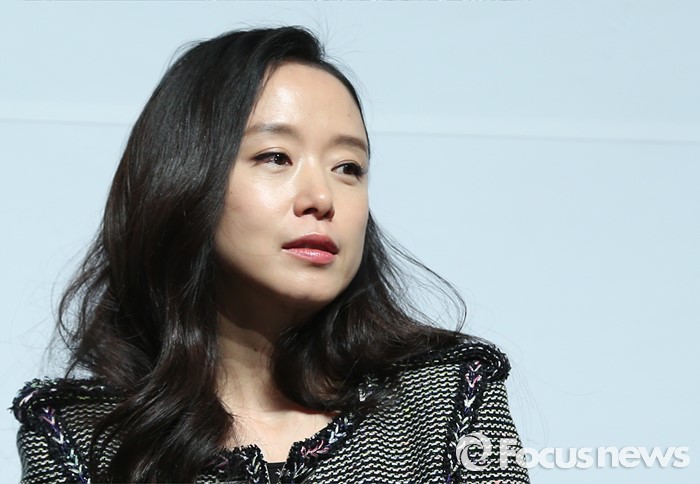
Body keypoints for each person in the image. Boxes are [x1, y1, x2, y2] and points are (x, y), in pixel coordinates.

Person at [11, 26, 529, 483]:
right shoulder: (79, 437)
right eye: (276, 156)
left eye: (348, 167)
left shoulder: (448, 398)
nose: (321, 198)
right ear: (183, 180)